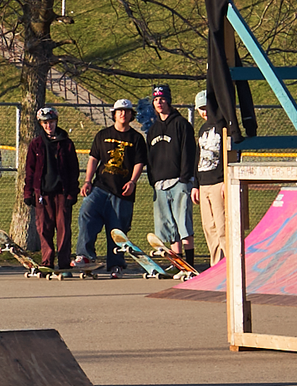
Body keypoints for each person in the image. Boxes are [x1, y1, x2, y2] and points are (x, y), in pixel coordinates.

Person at [74, 99, 147, 273]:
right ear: (114, 114)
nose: (123, 114)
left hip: (123, 192)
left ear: (131, 115)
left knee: (117, 229)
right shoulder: (102, 134)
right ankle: (85, 256)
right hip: (100, 187)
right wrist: (87, 181)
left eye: (127, 111)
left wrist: (133, 182)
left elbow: (139, 163)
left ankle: (116, 264)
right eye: (120, 111)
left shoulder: (136, 138)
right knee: (86, 214)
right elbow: (93, 159)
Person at [20, 106, 79, 271]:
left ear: (56, 122)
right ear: (41, 124)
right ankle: (47, 261)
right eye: (45, 123)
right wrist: (28, 192)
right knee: (44, 228)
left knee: (63, 228)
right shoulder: (36, 144)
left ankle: (64, 261)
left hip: (62, 192)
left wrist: (72, 192)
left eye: (51, 122)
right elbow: (30, 170)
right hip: (42, 193)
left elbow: (73, 170)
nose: (48, 126)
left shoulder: (66, 143)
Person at [141, 84, 195, 256]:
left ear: (169, 101)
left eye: (162, 99)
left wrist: (185, 178)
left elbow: (189, 151)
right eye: (156, 99)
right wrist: (153, 180)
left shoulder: (181, 124)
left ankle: (190, 264)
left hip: (179, 181)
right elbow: (150, 157)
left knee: (183, 225)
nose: (159, 103)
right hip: (160, 184)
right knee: (169, 228)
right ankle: (178, 264)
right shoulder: (153, 130)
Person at [193, 90, 229, 269]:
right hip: (204, 183)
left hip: (218, 182)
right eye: (201, 109)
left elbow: (231, 154)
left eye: (207, 108)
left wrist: (226, 180)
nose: (205, 112)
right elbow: (198, 157)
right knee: (209, 227)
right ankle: (215, 265)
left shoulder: (223, 125)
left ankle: (229, 264)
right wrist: (195, 185)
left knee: (222, 227)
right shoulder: (202, 129)